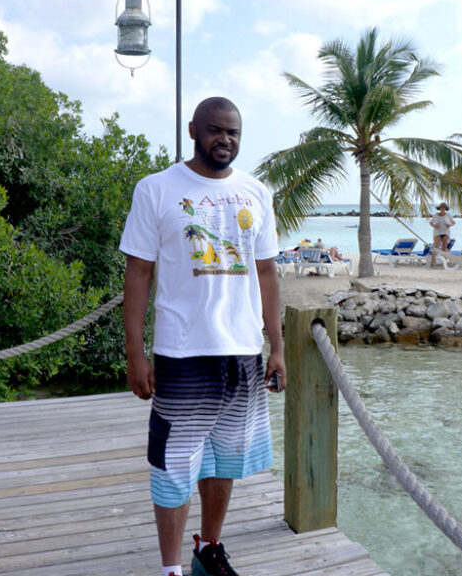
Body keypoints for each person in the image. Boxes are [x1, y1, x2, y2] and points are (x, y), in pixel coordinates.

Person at [121, 97, 286, 576]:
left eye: (233, 132)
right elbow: (138, 274)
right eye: (215, 130)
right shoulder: (156, 189)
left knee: (225, 458)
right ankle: (171, 568)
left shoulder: (256, 191)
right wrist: (136, 354)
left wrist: (275, 347)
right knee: (173, 465)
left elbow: (269, 273)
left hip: (242, 351)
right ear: (194, 129)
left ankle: (208, 548)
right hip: (182, 351)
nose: (225, 140)